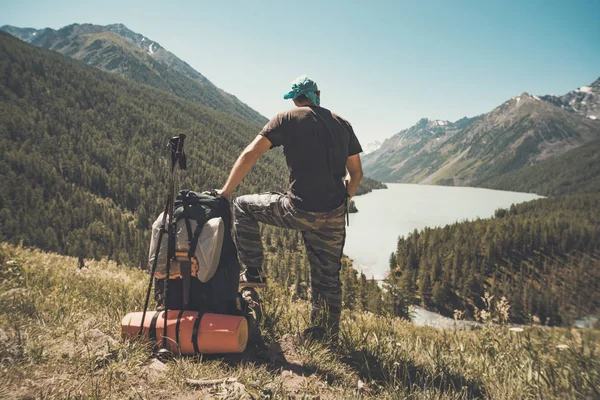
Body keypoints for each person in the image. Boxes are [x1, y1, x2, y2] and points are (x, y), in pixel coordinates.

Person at [217, 75, 363, 342]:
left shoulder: (287, 118)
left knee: (242, 205)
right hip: (333, 215)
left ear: (296, 98)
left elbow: (251, 154)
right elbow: (356, 173)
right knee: (328, 278)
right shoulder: (344, 125)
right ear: (318, 94)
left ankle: (254, 273)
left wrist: (225, 191)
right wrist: (343, 203)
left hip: (298, 209)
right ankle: (324, 339)